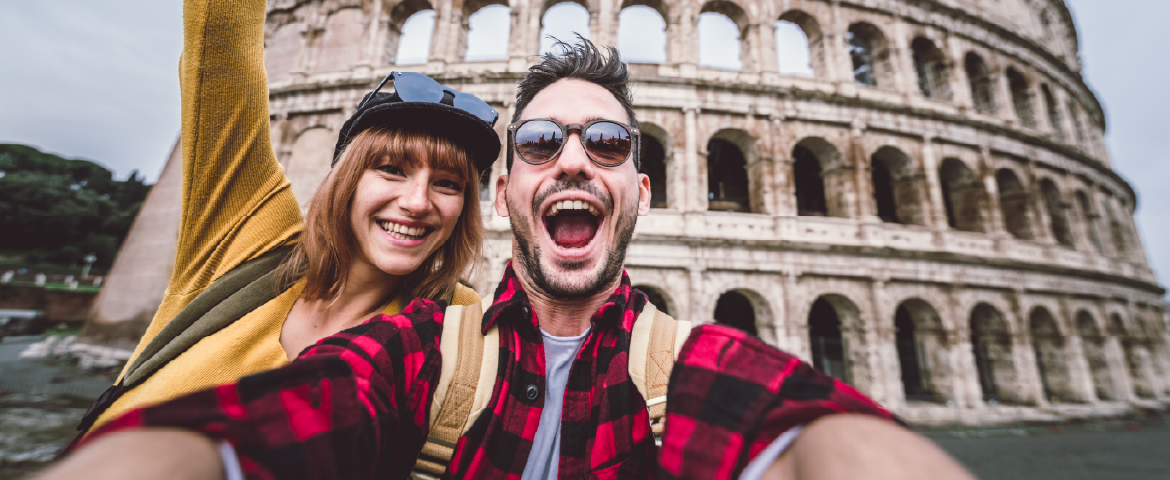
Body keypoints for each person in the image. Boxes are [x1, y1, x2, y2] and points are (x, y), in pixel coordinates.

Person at [40, 31, 976, 480]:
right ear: (513, 192)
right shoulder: (265, 248)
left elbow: (801, 422)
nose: (415, 200)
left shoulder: (442, 326)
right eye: (391, 170)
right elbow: (274, 422)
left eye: (608, 146)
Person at [74, 0, 500, 438]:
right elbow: (219, 32)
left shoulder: (464, 323)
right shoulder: (242, 237)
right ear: (345, 179)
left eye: (448, 184)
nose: (416, 202)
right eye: (391, 169)